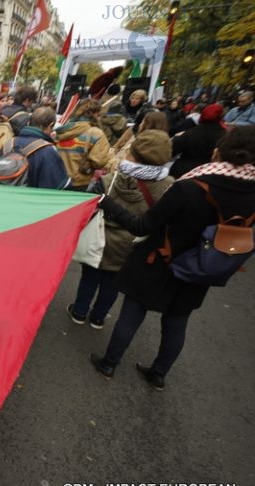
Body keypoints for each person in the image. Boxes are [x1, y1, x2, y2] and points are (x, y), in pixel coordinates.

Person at [90, 126, 255, 389]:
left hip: (157, 260)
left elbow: (142, 226)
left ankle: (109, 363)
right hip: (201, 267)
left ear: (218, 152)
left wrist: (106, 203)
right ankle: (158, 374)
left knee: (131, 315)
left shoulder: (189, 187)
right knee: (176, 323)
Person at [69, 129, 174, 330]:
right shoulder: (167, 186)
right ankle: (98, 317)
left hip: (100, 237)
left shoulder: (112, 178)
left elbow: (90, 204)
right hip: (132, 244)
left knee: (90, 276)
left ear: (134, 153)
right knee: (112, 283)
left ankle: (79, 311)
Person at [0, 107, 69, 189]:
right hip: (29, 200)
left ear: (28, 122)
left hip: (2, 198)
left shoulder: (8, 144)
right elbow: (54, 186)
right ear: (51, 125)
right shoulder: (48, 151)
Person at [54, 99, 111, 191]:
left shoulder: (63, 130)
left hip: (57, 180)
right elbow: (98, 162)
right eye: (98, 114)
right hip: (79, 182)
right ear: (94, 114)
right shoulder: (96, 133)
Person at [169, 104, 228, 179]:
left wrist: (176, 138)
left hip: (183, 172)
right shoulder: (225, 135)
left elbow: (171, 151)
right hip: (209, 174)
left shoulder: (190, 133)